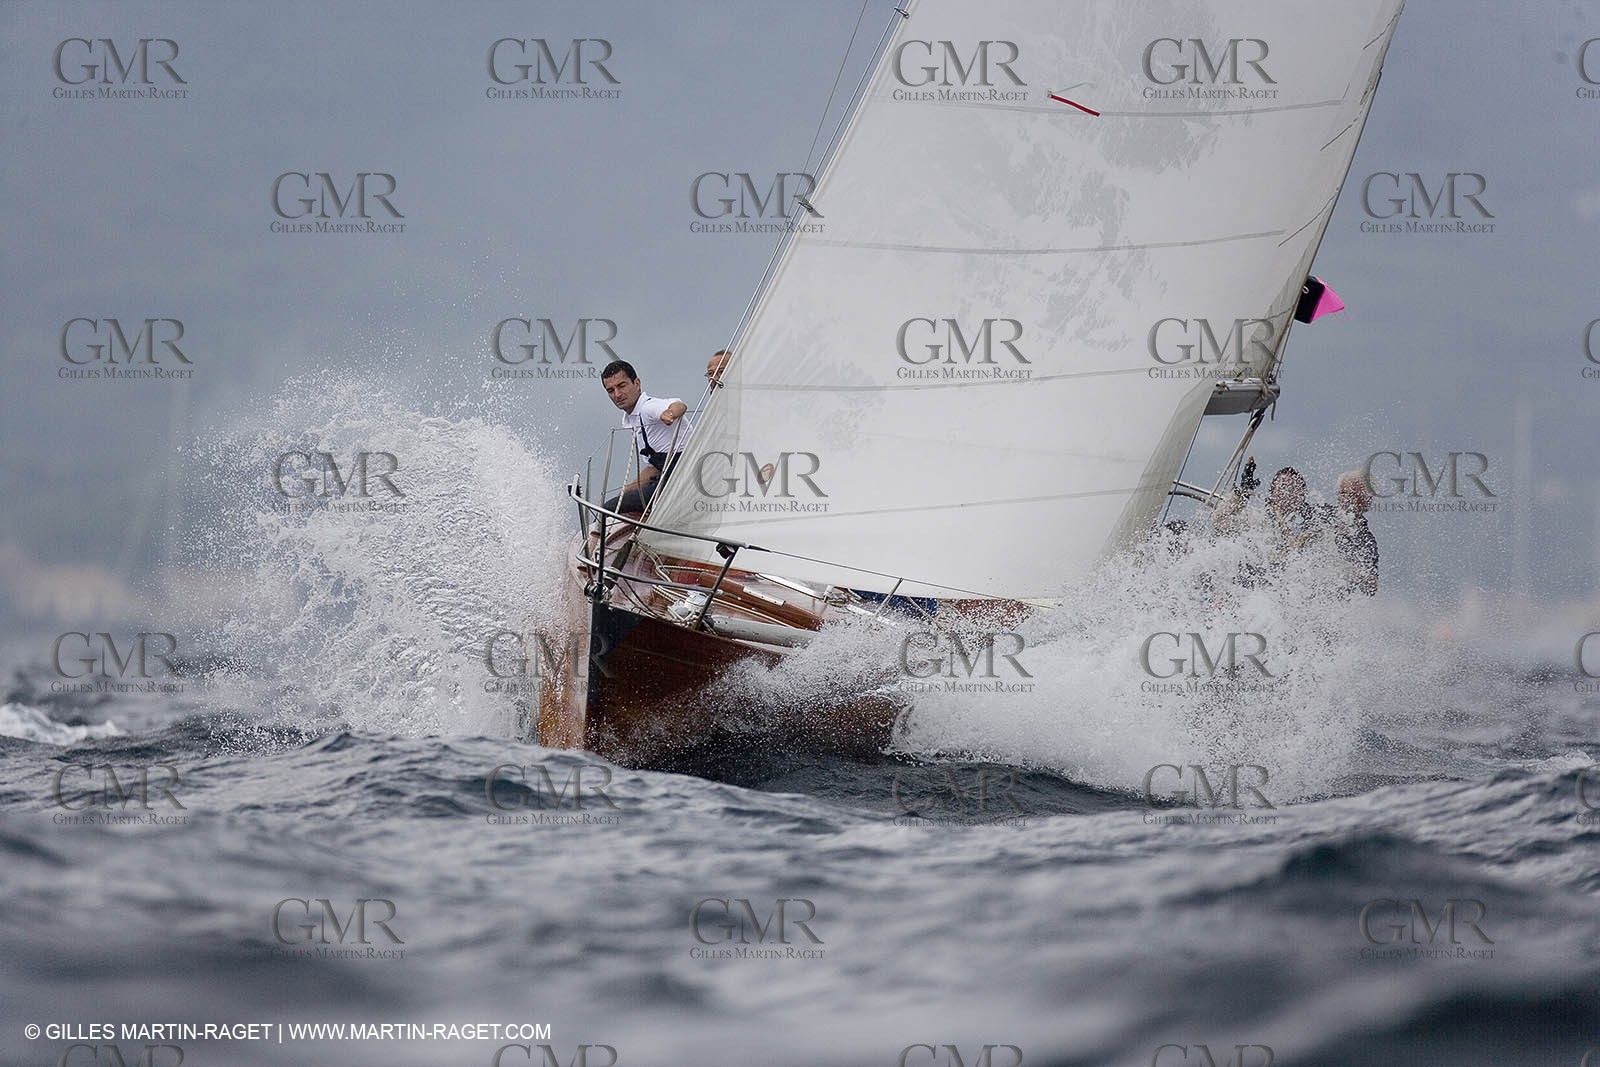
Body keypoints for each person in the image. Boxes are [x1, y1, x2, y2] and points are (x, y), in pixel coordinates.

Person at [599, 360, 687, 517]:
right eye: (610, 390)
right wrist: (623, 495)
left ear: (637, 383)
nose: (617, 395)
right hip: (667, 478)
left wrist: (669, 414)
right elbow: (652, 468)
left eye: (622, 386)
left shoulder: (647, 408)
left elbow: (679, 405)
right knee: (616, 503)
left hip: (682, 481)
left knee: (607, 510)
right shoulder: (632, 418)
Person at [1324, 471, 1378, 596]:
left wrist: (1358, 574)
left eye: (1354, 493)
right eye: (1343, 492)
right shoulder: (1320, 513)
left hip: (1332, 605)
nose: (1347, 498)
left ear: (1366, 499)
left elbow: (1371, 588)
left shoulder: (1366, 540)